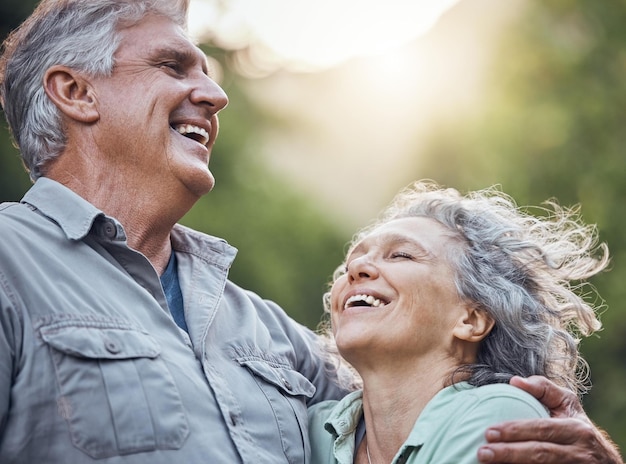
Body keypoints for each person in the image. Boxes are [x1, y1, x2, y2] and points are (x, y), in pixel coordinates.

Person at [0, 1, 621, 463]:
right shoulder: (10, 263)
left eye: (210, 72)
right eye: (171, 65)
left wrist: (582, 448)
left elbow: (415, 383)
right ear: (76, 92)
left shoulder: (272, 335)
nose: (215, 94)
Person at [308, 180, 622, 464]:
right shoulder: (308, 427)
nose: (357, 266)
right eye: (353, 260)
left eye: (401, 255)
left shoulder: (501, 413)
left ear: (471, 319)